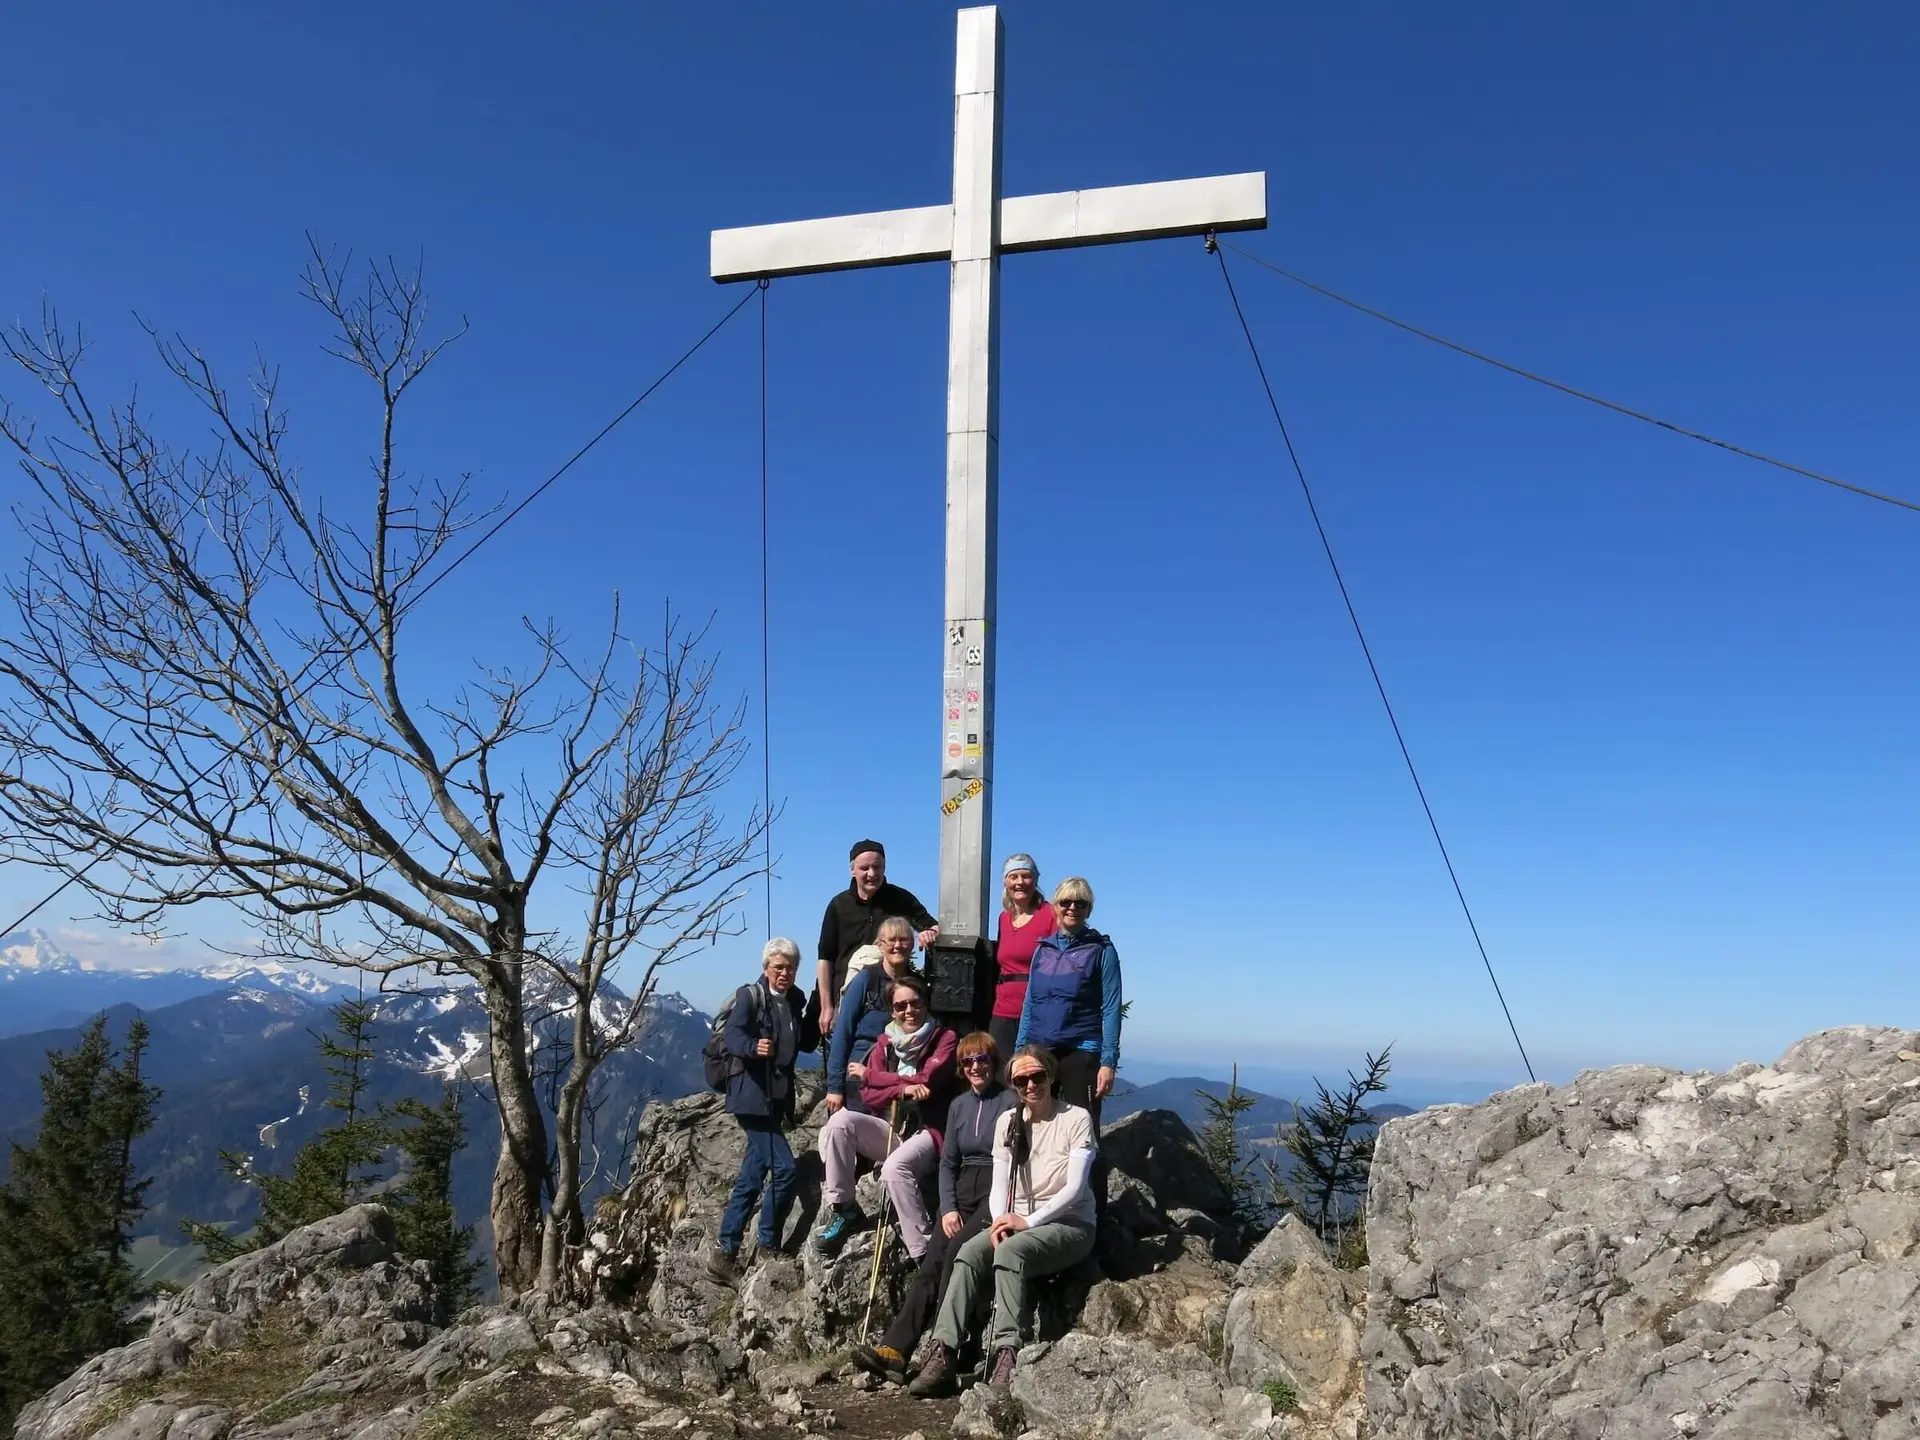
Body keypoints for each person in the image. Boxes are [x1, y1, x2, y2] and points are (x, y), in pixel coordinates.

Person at [909, 1045, 1098, 1397]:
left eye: (1037, 1076)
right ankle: (943, 1351)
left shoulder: (1075, 1119)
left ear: (1051, 1076)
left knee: (1010, 1253)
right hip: (1017, 1222)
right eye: (1021, 1080)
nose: (1030, 1085)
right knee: (966, 1253)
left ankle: (1005, 1353)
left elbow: (1074, 1188)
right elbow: (999, 1184)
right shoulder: (1008, 1124)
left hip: (1070, 1224)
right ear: (1012, 1085)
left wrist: (1028, 1222)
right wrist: (999, 1223)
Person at [851, 1030, 1016, 1383]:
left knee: (957, 1253)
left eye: (982, 1059)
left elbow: (1012, 1160)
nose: (976, 1067)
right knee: (932, 1260)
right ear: (961, 1067)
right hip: (960, 1190)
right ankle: (895, 1349)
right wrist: (948, 1206)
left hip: (994, 1188)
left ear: (994, 1063)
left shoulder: (1010, 1102)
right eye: (968, 1061)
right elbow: (948, 1163)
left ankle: (943, 1351)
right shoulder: (958, 1106)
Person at [815, 972, 957, 1255]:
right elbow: (868, 1095)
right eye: (900, 1006)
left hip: (929, 1131)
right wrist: (901, 1089)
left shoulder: (945, 1038)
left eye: (915, 1003)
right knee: (839, 1123)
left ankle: (923, 1252)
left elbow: (928, 1081)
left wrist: (872, 1075)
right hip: (893, 1128)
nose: (909, 1011)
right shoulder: (885, 1042)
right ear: (892, 1010)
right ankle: (845, 1208)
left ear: (926, 1003)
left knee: (894, 1168)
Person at [709, 938, 820, 1280]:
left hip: (774, 1097)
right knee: (785, 1169)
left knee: (751, 1177)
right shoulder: (750, 997)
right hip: (751, 1096)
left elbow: (806, 1042)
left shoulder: (794, 1002)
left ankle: (724, 1252)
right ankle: (768, 1243)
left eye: (790, 967)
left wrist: (819, 1005)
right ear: (766, 968)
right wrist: (753, 1047)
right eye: (778, 967)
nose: (785, 973)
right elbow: (732, 1036)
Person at [1015, 876, 1121, 1132]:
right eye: (1066, 902)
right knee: (1033, 1125)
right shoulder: (1043, 950)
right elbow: (1030, 1002)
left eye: (1081, 903)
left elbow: (1111, 1007)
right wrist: (1020, 1051)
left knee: (1083, 1127)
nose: (1072, 907)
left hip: (1081, 1049)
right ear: (1055, 907)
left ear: (1089, 910)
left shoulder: (1101, 950)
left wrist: (1108, 1062)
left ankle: (1090, 1174)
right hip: (1039, 1048)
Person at [816, 840, 938, 1036]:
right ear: (852, 870)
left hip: (891, 1002)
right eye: (864, 868)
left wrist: (929, 933)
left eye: (877, 867)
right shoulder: (838, 905)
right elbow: (825, 959)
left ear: (884, 867)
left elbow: (932, 926)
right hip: (846, 997)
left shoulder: (900, 898)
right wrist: (826, 1006)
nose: (871, 874)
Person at [826, 916, 922, 1115]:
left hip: (901, 1077)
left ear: (912, 944)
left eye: (904, 940)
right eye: (891, 940)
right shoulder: (865, 980)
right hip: (861, 1076)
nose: (897, 945)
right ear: (880, 945)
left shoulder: (917, 986)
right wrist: (834, 1087)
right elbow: (842, 1032)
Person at [989, 854, 1055, 1058]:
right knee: (1002, 1076)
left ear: (1035, 880)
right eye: (1013, 876)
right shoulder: (1003, 919)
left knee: (1034, 1075)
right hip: (1003, 1010)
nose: (1019, 882)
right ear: (1005, 881)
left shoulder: (1050, 914)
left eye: (1025, 876)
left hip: (1037, 1012)